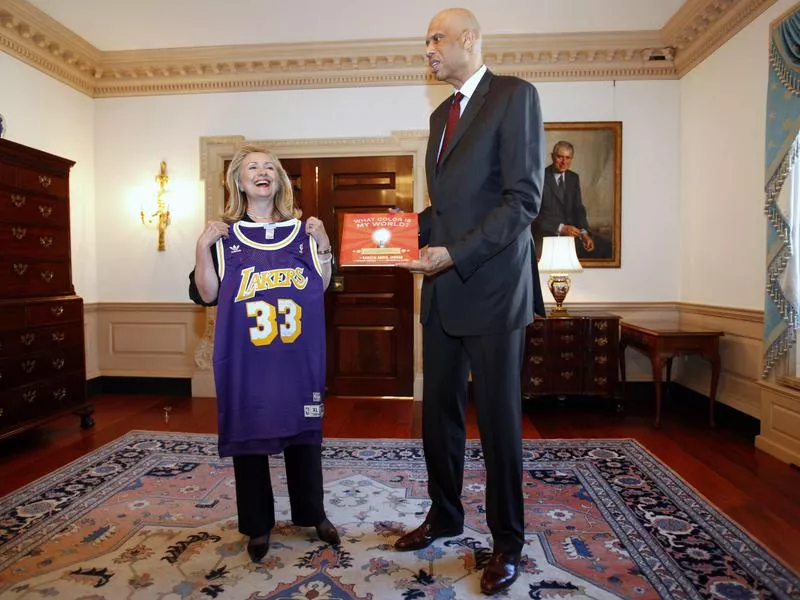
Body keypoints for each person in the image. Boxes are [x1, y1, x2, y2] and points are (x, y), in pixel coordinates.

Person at [393, 8, 545, 596]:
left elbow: (522, 199)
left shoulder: (514, 96)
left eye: (435, 38)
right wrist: (394, 237)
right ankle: (445, 514)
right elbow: (446, 211)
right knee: (439, 415)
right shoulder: (440, 114)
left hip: (493, 288)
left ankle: (508, 541)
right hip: (442, 293)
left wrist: (453, 254)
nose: (427, 49)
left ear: (469, 40)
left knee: (500, 422)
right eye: (426, 40)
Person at [188, 144, 339, 564]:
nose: (262, 172)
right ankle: (258, 524)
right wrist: (202, 247)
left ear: (280, 180)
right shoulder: (224, 235)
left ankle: (313, 514)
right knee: (249, 439)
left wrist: (323, 242)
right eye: (252, 166)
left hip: (295, 357)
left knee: (303, 437)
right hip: (247, 360)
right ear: (238, 180)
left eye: (270, 166)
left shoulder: (302, 231)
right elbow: (207, 294)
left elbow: (321, 285)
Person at [532, 141, 596, 258]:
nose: (564, 162)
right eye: (560, 157)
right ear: (552, 156)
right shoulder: (538, 177)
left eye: (568, 158)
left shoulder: (573, 178)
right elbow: (532, 214)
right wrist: (560, 228)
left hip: (569, 241)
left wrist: (584, 233)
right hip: (544, 240)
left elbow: (578, 208)